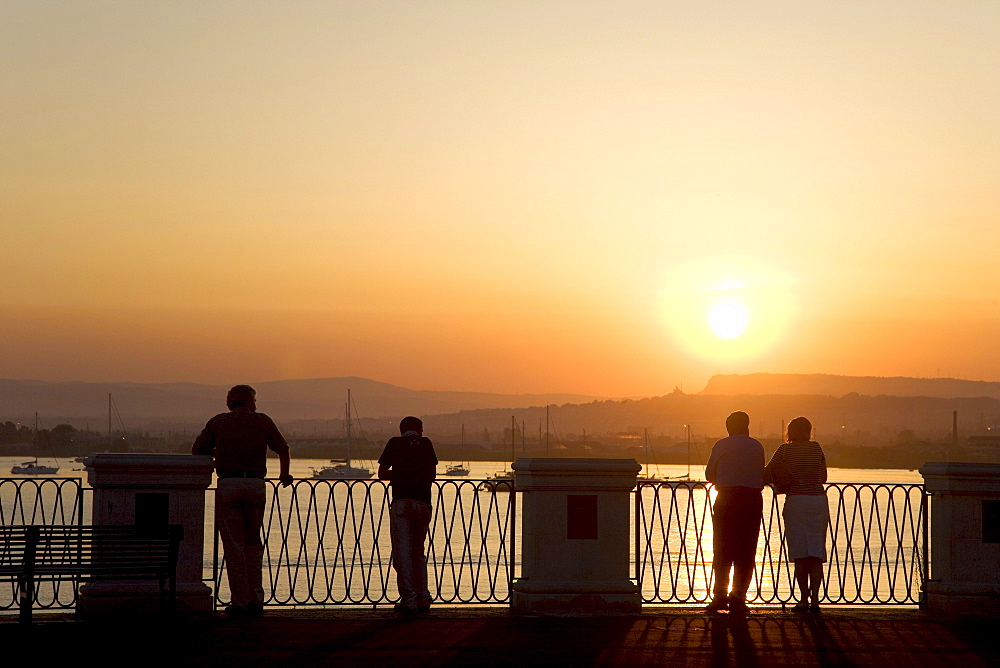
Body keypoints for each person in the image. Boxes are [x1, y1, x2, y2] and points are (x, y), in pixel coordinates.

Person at [192, 384, 292, 617]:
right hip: (256, 485)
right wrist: (285, 473)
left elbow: (197, 449)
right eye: (254, 401)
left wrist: (222, 453)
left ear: (230, 403)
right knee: (253, 544)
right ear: (249, 402)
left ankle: (239, 602)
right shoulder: (263, 421)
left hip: (229, 485)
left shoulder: (218, 422)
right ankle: (257, 598)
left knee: (234, 546)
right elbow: (283, 448)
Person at [765, 416, 829, 613]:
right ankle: (816, 601)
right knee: (816, 553)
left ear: (789, 432)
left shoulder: (784, 450)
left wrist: (784, 479)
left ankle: (803, 600)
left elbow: (767, 472)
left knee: (801, 553)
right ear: (809, 431)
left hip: (796, 501)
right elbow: (823, 477)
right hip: (818, 501)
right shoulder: (816, 447)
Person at [704, 411, 765, 613]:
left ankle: (719, 596)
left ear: (728, 427)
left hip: (727, 498)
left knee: (722, 548)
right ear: (747, 426)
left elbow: (709, 473)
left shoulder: (721, 445)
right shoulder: (757, 446)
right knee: (746, 550)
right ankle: (739, 596)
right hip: (752, 500)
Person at [378, 416, 438, 614]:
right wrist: (416, 477)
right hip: (423, 503)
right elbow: (432, 474)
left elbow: (382, 473)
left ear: (401, 429)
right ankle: (423, 596)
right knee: (418, 552)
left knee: (402, 552)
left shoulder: (395, 443)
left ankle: (408, 598)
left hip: (401, 502)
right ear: (420, 430)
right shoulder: (426, 444)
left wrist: (401, 476)